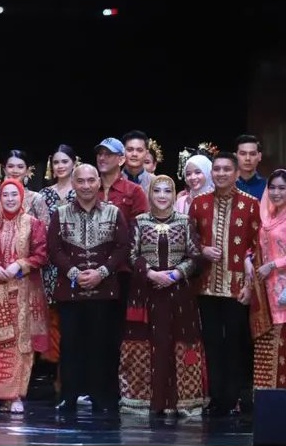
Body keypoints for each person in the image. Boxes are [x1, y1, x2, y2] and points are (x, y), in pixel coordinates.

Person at [47, 163, 130, 413]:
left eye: (91, 180)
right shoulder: (60, 213)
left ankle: (101, 397)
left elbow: (122, 247)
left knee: (101, 345)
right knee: (70, 345)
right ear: (73, 184)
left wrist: (101, 272)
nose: (86, 186)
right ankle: (69, 396)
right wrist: (74, 273)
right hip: (70, 290)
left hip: (104, 290)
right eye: (81, 181)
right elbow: (54, 249)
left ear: (99, 183)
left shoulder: (113, 212)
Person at [120, 175, 206, 417]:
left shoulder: (184, 221)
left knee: (179, 341)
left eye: (167, 191)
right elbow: (130, 254)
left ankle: (182, 402)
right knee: (145, 343)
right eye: (157, 191)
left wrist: (176, 274)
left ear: (173, 194)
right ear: (150, 194)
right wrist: (150, 273)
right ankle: (142, 401)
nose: (162, 196)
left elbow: (195, 256)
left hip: (178, 294)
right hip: (146, 293)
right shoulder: (139, 221)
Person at [188, 151, 261, 416]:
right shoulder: (199, 203)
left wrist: (250, 287)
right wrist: (203, 249)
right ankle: (216, 397)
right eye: (217, 169)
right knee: (211, 343)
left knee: (235, 343)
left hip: (237, 288)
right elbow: (189, 241)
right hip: (205, 286)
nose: (221, 174)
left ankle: (234, 397)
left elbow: (257, 246)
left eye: (226, 169)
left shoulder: (251, 205)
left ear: (237, 173)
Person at [0, 178, 48, 414]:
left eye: (14, 194)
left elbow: (41, 255)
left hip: (24, 292)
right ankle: (0, 395)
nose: (10, 199)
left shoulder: (33, 224)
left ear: (22, 197)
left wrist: (19, 264)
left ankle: (17, 395)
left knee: (22, 344)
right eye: (5, 195)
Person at [252, 169, 286, 389]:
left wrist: (273, 265)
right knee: (269, 344)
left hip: (283, 289)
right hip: (265, 289)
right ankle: (270, 397)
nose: (276, 192)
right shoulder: (267, 217)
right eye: (272, 187)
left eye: (282, 188)